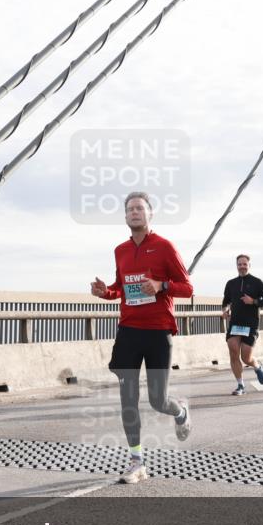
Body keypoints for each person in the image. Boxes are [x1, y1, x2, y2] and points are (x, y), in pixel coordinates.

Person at [91, 191, 193, 485]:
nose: (134, 212)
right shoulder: (120, 250)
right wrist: (105, 292)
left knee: (158, 400)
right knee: (128, 400)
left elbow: (187, 288)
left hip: (159, 331)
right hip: (129, 332)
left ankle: (180, 411)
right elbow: (120, 288)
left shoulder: (164, 247)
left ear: (150, 215)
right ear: (125, 217)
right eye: (130, 209)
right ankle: (137, 462)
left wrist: (161, 285)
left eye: (140, 208)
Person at [222, 254, 263, 395]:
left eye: (244, 264)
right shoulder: (231, 283)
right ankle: (240, 385)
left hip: (250, 324)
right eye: (239, 264)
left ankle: (256, 365)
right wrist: (225, 310)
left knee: (246, 358)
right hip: (235, 323)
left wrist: (254, 301)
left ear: (249, 265)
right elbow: (226, 301)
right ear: (236, 266)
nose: (242, 266)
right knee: (233, 352)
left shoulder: (257, 282)